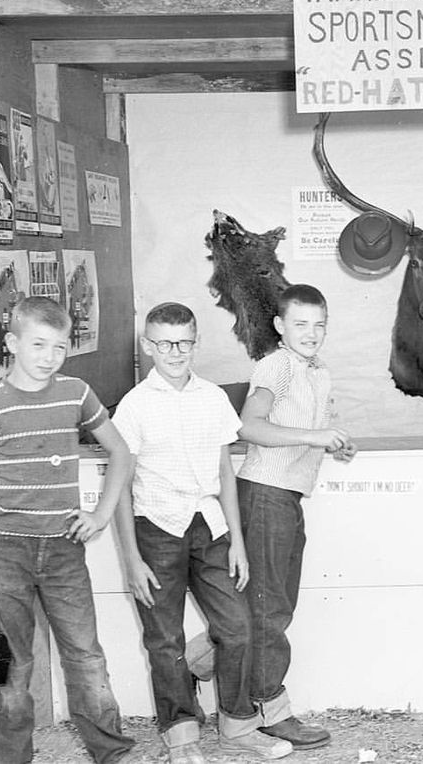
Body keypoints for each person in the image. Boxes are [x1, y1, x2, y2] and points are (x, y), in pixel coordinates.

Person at [111, 302, 292, 763]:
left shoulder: (212, 398)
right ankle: (182, 736)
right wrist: (132, 559)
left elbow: (224, 474)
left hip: (209, 528)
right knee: (165, 638)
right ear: (148, 346)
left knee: (236, 627)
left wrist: (238, 543)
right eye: (165, 343)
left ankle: (236, 724)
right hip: (156, 530)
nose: (175, 352)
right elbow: (120, 485)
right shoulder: (134, 406)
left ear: (196, 343)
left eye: (184, 342)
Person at [0, 295, 136, 764]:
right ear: (12, 343)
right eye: (38, 345)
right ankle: (11, 757)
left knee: (86, 656)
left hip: (63, 549)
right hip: (5, 551)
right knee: (13, 665)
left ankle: (111, 751)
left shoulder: (76, 393)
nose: (49, 358)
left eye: (59, 348)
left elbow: (121, 453)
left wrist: (99, 515)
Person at [236, 284, 357, 750]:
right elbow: (248, 426)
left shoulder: (316, 369)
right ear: (280, 327)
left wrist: (333, 443)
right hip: (265, 493)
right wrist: (313, 437)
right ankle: (269, 712)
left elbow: (306, 431)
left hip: (286, 497)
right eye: (301, 324)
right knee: (271, 610)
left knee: (271, 605)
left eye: (319, 324)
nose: (311, 333)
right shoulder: (277, 365)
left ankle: (203, 668)